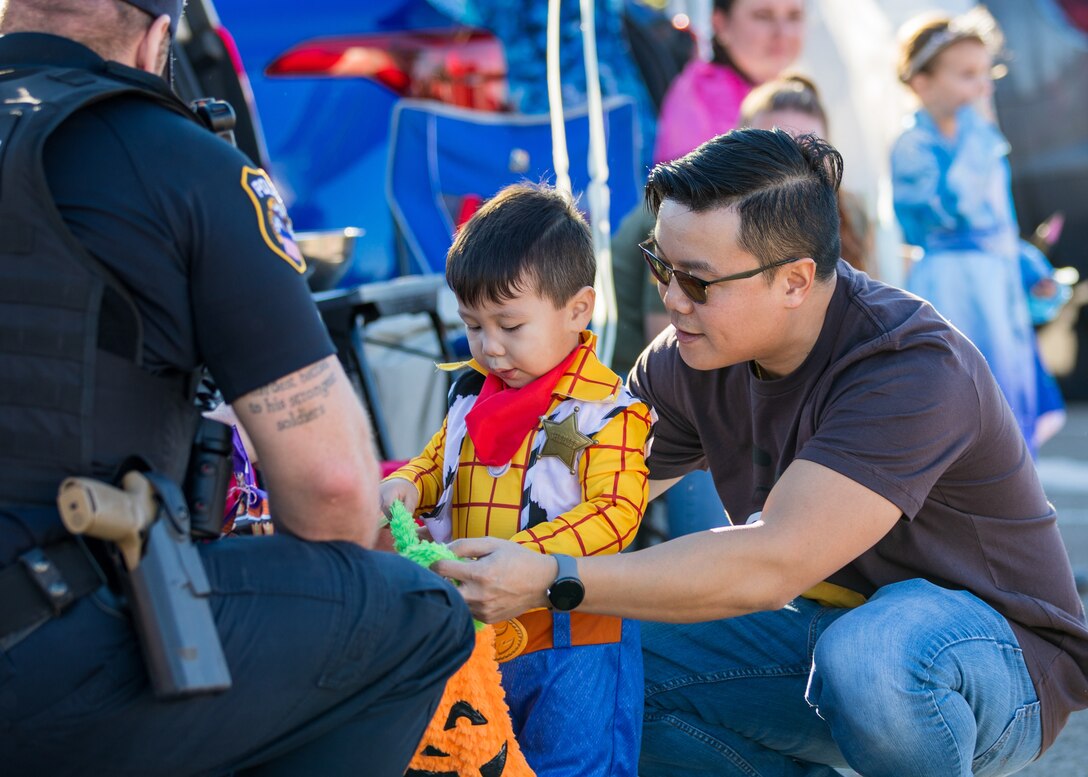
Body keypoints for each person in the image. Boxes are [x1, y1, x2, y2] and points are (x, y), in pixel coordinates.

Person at [431, 129, 1088, 776]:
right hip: (819, 632)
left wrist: (552, 577)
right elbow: (563, 492)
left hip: (999, 661)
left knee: (871, 656)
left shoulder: (910, 365)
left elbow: (770, 562)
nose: (670, 298)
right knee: (604, 660)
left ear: (796, 281)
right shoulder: (688, 354)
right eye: (660, 264)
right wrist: (428, 524)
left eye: (698, 280)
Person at [0, 1, 473, 774]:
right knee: (415, 613)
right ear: (159, 38)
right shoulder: (175, 157)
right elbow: (332, 495)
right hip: (43, 648)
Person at [379, 183, 653, 776]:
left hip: (575, 636)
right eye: (474, 327)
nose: (490, 347)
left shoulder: (606, 410)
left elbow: (616, 513)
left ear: (578, 309)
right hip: (479, 631)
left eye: (509, 324)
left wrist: (523, 558)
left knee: (573, 764)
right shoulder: (470, 395)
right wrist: (407, 484)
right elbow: (438, 462)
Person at [891, 7, 1065, 454]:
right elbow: (951, 212)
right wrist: (976, 138)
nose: (983, 86)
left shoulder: (982, 144)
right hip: (953, 287)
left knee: (1008, 400)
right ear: (922, 82)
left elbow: (999, 227)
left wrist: (1032, 270)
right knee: (961, 394)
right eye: (967, 74)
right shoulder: (915, 147)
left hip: (997, 289)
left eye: (987, 73)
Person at [739, 72, 873, 274]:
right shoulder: (712, 227)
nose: (795, 165)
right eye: (775, 150)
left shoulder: (853, 215)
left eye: (811, 150)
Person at [652, 0, 805, 165]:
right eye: (763, 16)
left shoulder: (797, 92)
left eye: (794, 16)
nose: (783, 32)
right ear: (720, 23)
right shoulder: (696, 99)